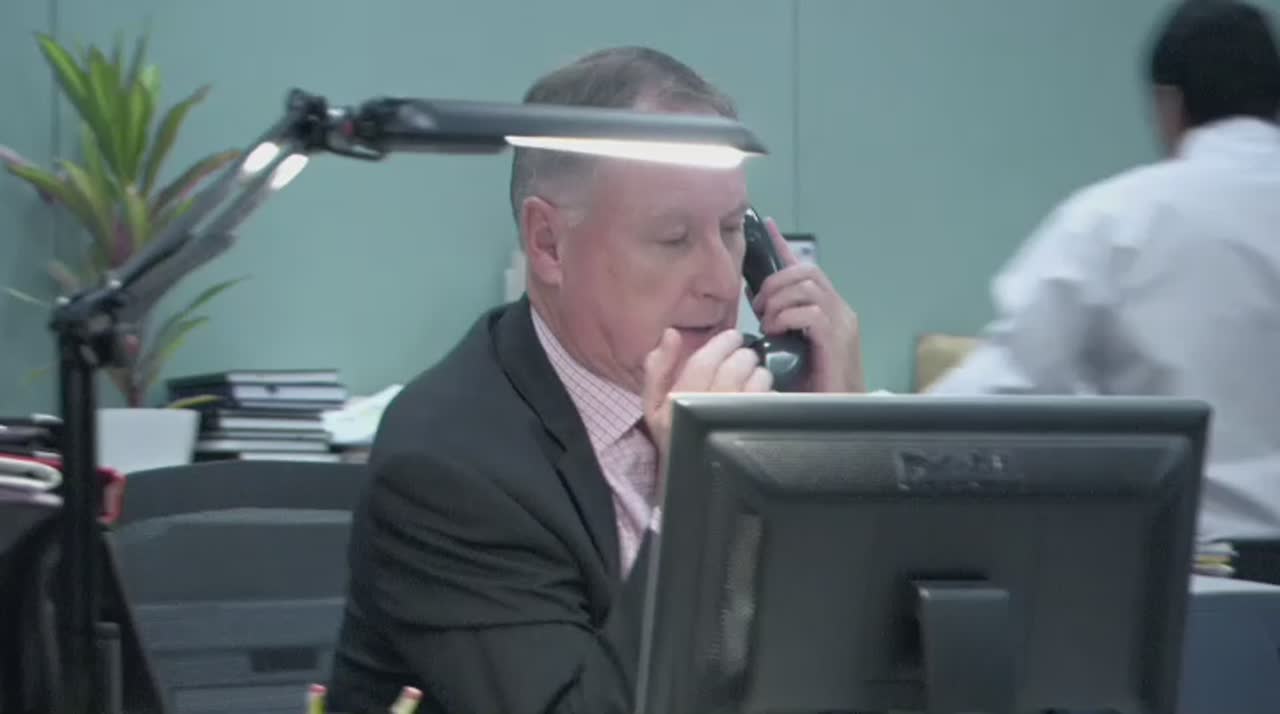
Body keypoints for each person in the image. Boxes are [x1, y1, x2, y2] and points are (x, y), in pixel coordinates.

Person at [326, 46, 864, 714]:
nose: (723, 281)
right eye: (673, 239)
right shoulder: (448, 468)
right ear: (549, 245)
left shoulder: (763, 398)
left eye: (731, 231)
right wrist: (700, 490)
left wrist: (844, 451)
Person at [930, 0, 1280, 545]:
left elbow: (1006, 387)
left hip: (1194, 570)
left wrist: (871, 427)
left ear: (1169, 104)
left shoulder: (1119, 220)